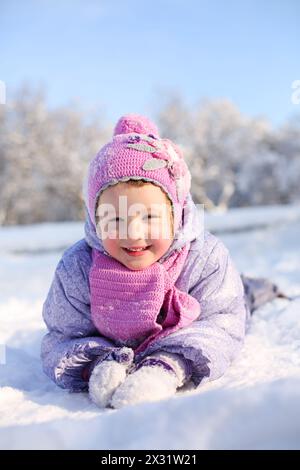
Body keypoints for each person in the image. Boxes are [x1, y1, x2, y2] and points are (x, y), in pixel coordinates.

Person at [41, 113, 282, 409]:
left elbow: (224, 322)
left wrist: (167, 365)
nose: (133, 234)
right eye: (114, 219)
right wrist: (97, 363)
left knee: (243, 295)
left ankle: (259, 286)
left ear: (176, 215)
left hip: (216, 302)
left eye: (150, 217)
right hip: (112, 347)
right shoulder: (77, 267)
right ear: (94, 220)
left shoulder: (204, 258)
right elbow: (62, 335)